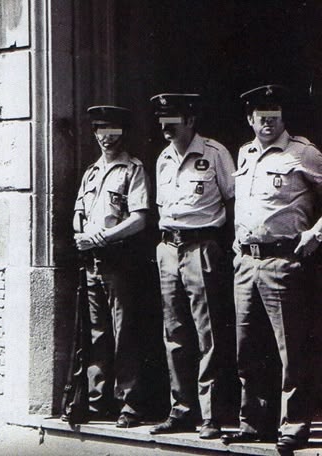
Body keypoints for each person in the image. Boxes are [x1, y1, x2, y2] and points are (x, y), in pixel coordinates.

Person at [220, 85, 322, 453]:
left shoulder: (302, 153)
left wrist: (315, 234)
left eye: (274, 116)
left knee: (290, 350)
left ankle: (293, 425)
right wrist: (237, 247)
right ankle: (253, 422)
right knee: (247, 347)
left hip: (283, 263)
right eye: (261, 117)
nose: (267, 122)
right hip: (246, 262)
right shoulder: (245, 153)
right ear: (250, 119)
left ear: (283, 118)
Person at [145, 94, 235, 439]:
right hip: (169, 248)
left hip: (202, 247)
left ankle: (210, 415)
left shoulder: (215, 153)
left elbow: (233, 199)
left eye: (173, 120)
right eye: (162, 120)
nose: (166, 127)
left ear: (191, 120)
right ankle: (181, 410)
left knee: (207, 333)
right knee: (175, 334)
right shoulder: (163, 158)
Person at [71, 105, 150, 428]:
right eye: (101, 130)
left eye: (113, 131)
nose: (107, 137)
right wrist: (79, 233)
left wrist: (100, 238)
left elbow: (139, 218)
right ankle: (96, 401)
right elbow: (79, 211)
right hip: (91, 264)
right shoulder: (91, 172)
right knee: (97, 335)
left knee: (124, 334)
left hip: (119, 261)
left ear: (123, 133)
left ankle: (129, 403)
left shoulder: (132, 169)